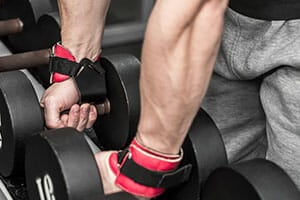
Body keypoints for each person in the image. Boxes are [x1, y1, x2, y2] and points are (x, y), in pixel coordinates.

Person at [39, 0, 233, 198]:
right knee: (212, 169)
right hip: (213, 32)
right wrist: (77, 65)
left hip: (207, 23)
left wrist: (147, 165)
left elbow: (192, 11)